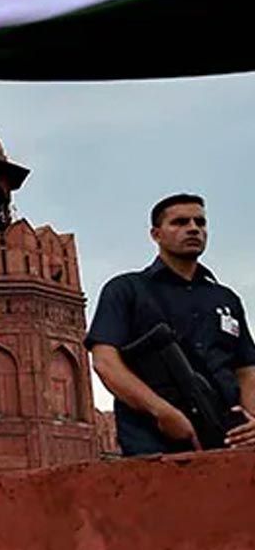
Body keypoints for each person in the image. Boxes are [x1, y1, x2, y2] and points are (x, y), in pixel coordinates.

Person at [86, 193, 255, 454]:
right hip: (153, 441)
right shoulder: (127, 290)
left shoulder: (225, 298)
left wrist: (251, 420)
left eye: (200, 222)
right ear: (156, 234)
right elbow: (105, 362)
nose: (193, 229)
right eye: (179, 222)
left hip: (229, 437)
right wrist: (161, 411)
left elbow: (246, 370)